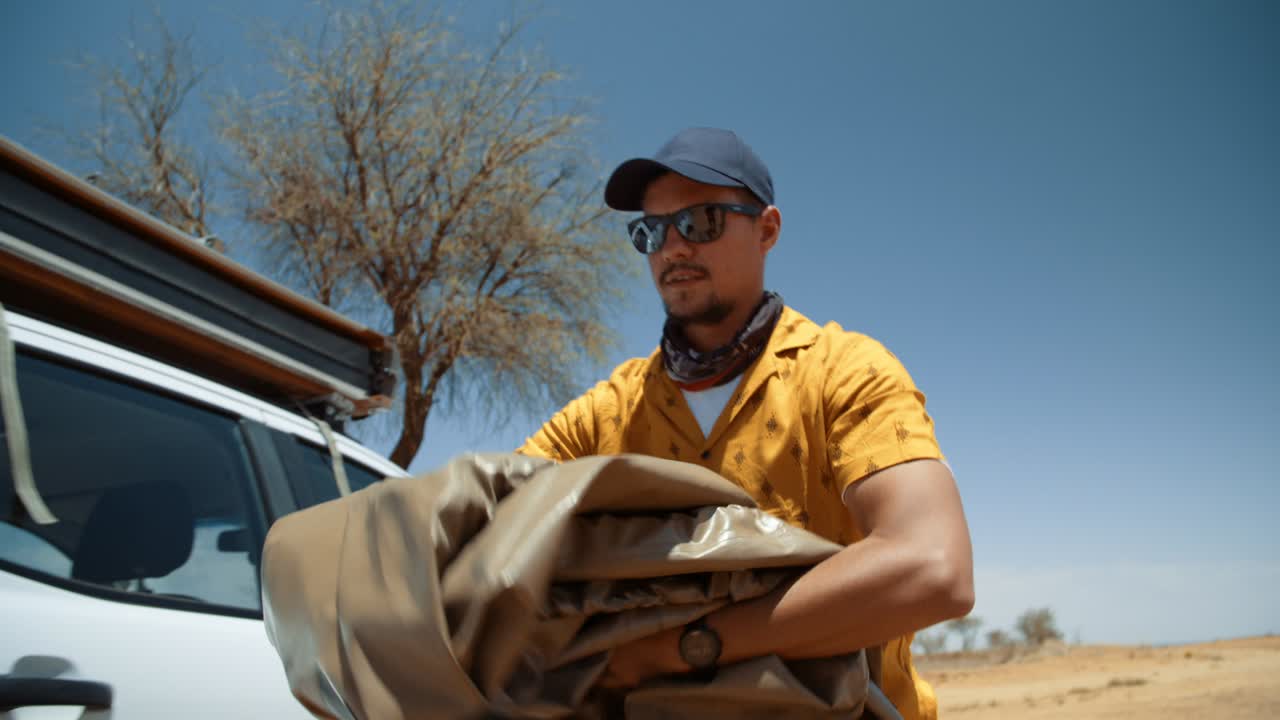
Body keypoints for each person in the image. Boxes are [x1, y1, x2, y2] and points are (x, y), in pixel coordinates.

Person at [518, 127, 974, 720]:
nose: (672, 248)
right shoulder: (606, 412)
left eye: (700, 222)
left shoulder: (842, 373)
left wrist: (685, 647)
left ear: (767, 230)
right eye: (649, 232)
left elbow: (934, 568)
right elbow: (492, 523)